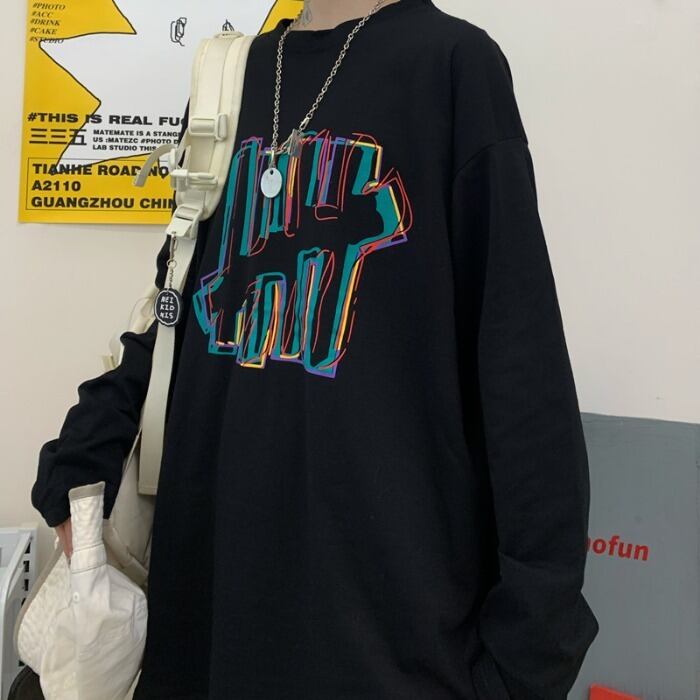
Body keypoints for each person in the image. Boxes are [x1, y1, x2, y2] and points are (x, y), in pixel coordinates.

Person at [30, 0, 600, 698]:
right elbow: (180, 307)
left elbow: (521, 368)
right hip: (206, 617)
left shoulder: (452, 66)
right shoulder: (227, 76)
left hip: (383, 639)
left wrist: (525, 660)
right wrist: (85, 453)